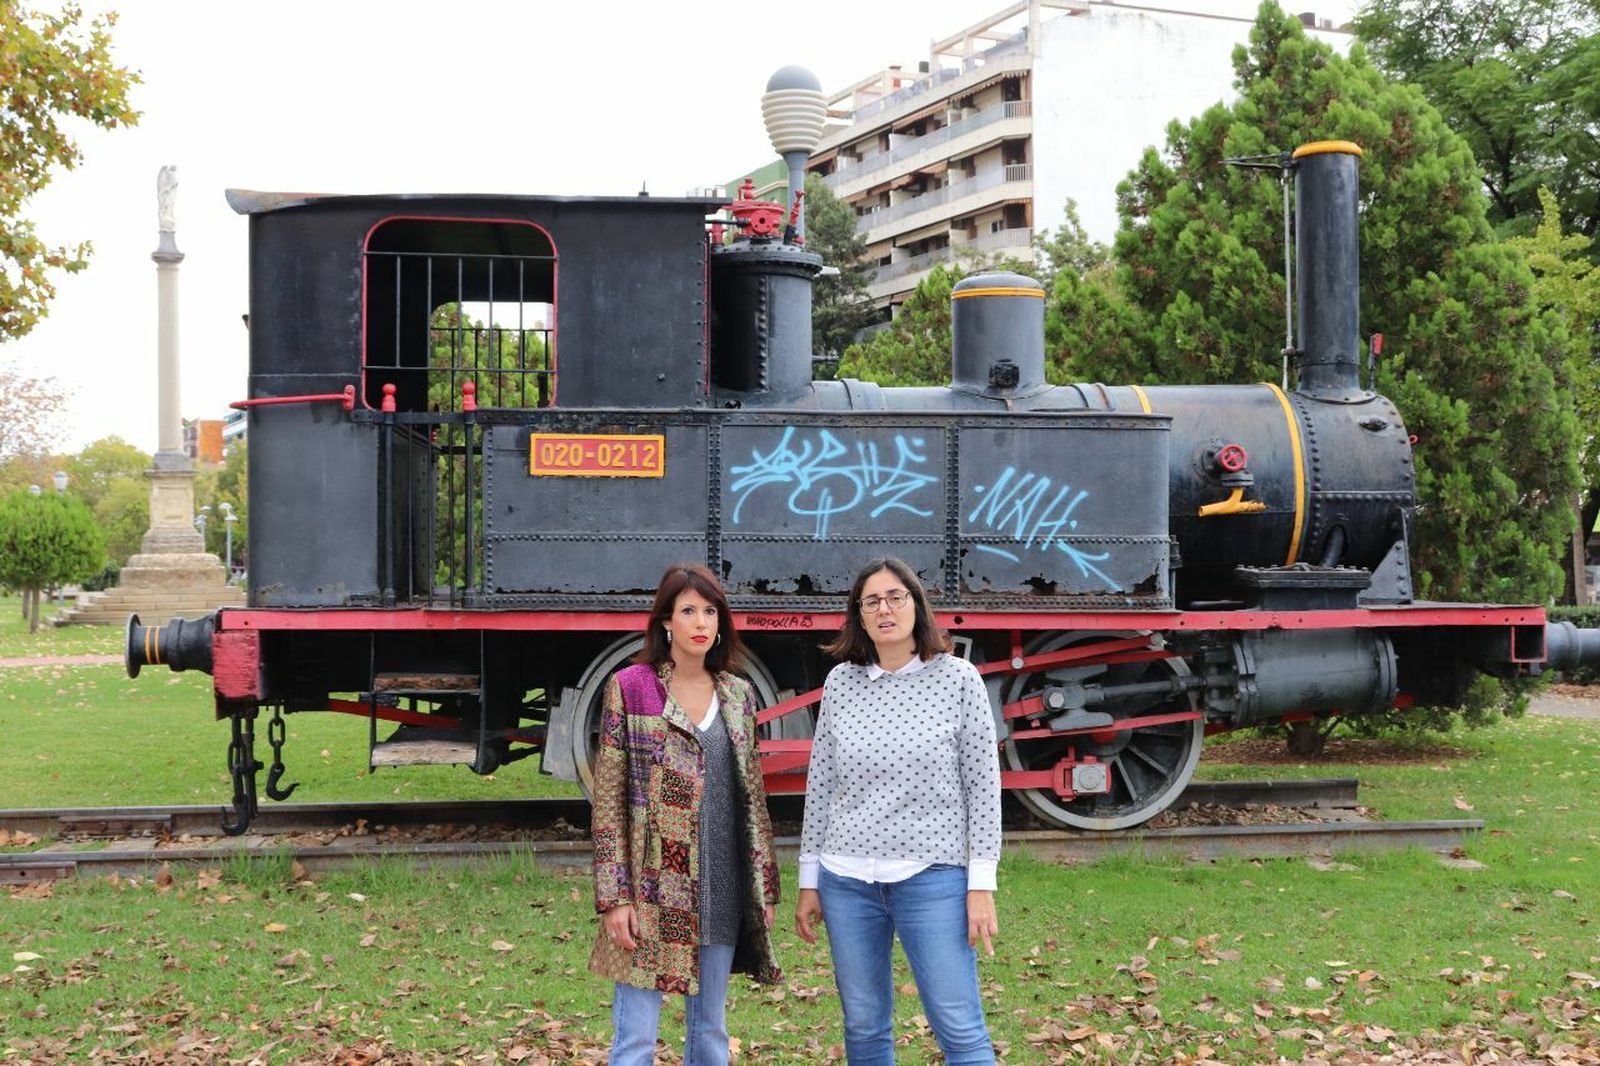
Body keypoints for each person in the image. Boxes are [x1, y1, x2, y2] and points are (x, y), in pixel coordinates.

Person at [795, 557, 1002, 1065]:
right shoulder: (841, 682)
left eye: (895, 597)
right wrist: (809, 880)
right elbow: (820, 784)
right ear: (859, 616)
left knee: (958, 1026)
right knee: (864, 1027)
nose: (884, 609)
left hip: (932, 879)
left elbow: (984, 789)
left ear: (916, 604)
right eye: (872, 602)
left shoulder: (958, 679)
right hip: (846, 882)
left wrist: (981, 886)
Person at [588, 563, 782, 1065]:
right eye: (688, 610)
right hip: (651, 891)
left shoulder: (737, 694)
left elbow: (753, 800)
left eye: (710, 611)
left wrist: (765, 888)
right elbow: (609, 800)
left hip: (721, 888)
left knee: (712, 1033)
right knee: (635, 1038)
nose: (700, 622)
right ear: (666, 622)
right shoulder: (632, 688)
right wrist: (614, 897)